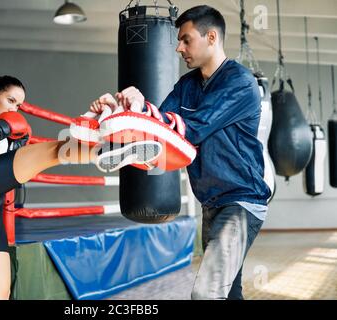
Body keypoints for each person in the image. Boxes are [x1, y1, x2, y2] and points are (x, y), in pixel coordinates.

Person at [91, 5, 271, 300]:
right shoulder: (186, 85)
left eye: (186, 39)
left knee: (206, 292)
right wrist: (126, 106)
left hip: (241, 202)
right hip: (211, 202)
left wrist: (144, 113)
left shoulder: (240, 82)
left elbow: (195, 128)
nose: (178, 48)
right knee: (228, 291)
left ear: (211, 37)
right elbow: (160, 127)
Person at [0, 75, 97, 300]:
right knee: (53, 152)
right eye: (10, 100)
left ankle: (103, 151)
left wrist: (10, 140)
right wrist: (1, 129)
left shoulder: (7, 128)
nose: (15, 109)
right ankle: (103, 151)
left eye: (18, 105)